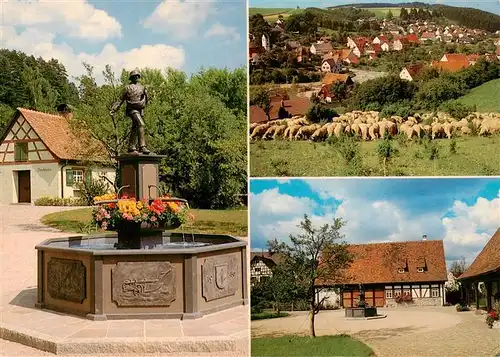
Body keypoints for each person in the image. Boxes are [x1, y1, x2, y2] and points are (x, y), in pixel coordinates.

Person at [110, 70, 150, 154]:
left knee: (135, 128)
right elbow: (120, 99)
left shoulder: (142, 87)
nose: (136, 77)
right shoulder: (127, 88)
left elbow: (145, 101)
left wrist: (146, 94)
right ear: (131, 77)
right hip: (131, 109)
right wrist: (114, 109)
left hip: (140, 110)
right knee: (141, 124)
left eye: (137, 76)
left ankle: (131, 146)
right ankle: (142, 146)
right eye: (134, 76)